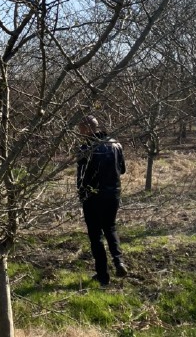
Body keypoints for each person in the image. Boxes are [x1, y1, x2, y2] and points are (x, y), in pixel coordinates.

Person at [76, 114, 128, 286]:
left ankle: (103, 276)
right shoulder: (116, 144)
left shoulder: (86, 148)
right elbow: (122, 170)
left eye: (80, 128)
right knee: (110, 227)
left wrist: (82, 193)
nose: (79, 131)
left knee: (96, 235)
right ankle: (118, 261)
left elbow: (82, 176)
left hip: (93, 197)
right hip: (113, 193)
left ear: (87, 128)